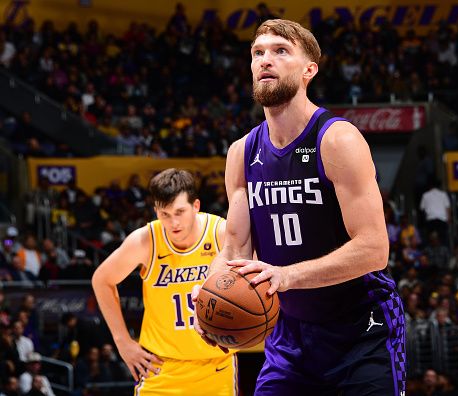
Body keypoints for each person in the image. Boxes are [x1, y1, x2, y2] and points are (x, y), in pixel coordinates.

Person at [193, 19, 405, 395]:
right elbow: (234, 250)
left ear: (309, 70)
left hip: (361, 330)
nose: (265, 60)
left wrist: (287, 276)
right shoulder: (241, 153)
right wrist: (211, 295)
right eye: (258, 53)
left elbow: (374, 248)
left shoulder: (337, 139)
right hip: (289, 336)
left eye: (280, 51)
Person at [92, 169, 237, 395]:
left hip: (216, 366)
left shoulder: (221, 233)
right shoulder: (145, 240)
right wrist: (122, 341)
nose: (173, 222)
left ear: (196, 206)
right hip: (161, 369)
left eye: (180, 212)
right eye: (165, 214)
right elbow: (101, 280)